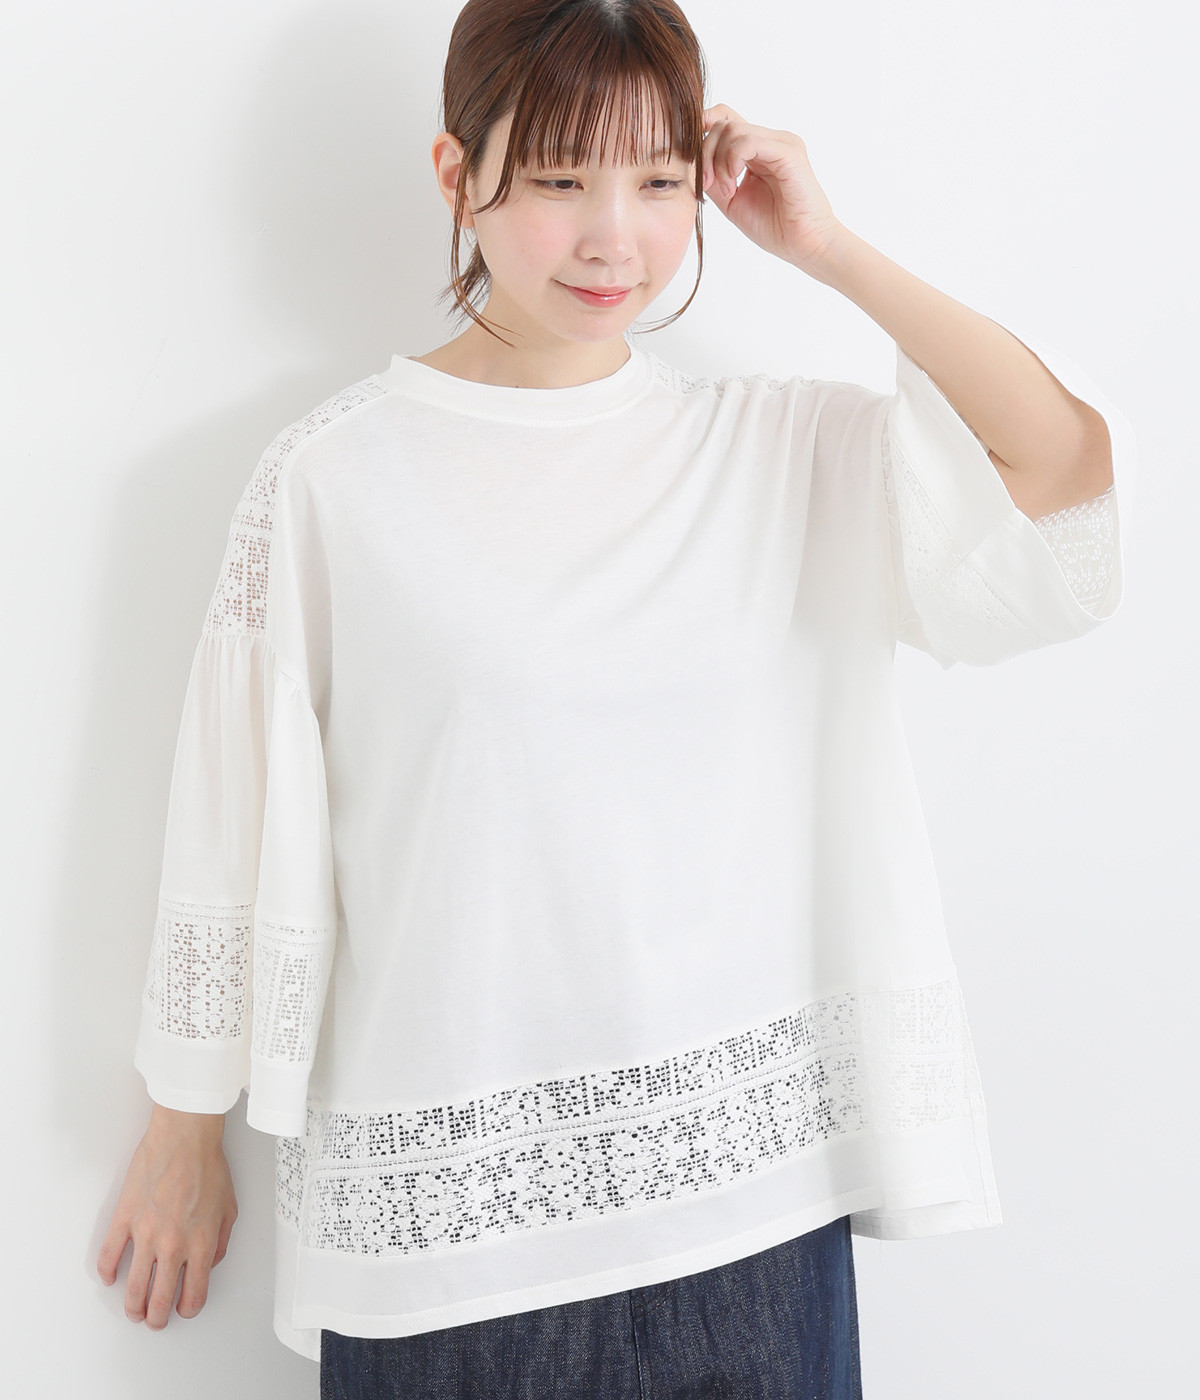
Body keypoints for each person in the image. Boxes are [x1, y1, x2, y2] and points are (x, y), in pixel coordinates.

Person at [96, 1, 1134, 1397]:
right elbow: (238, 811)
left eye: (657, 181)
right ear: (457, 176)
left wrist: (829, 249)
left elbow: (1058, 470)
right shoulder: (332, 481)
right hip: (455, 1253)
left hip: (755, 1224)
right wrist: (184, 1128)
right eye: (559, 179)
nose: (613, 239)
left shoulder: (774, 451)